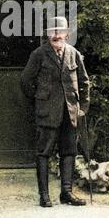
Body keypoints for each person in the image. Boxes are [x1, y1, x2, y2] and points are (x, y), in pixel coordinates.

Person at [21, 16, 90, 207]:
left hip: (70, 113)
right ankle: (44, 196)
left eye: (60, 31)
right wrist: (40, 100)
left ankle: (66, 193)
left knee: (69, 152)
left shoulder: (73, 53)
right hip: (47, 114)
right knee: (43, 153)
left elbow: (84, 82)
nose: (56, 35)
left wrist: (82, 108)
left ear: (67, 34)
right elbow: (26, 81)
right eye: (52, 32)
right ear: (47, 34)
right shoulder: (38, 54)